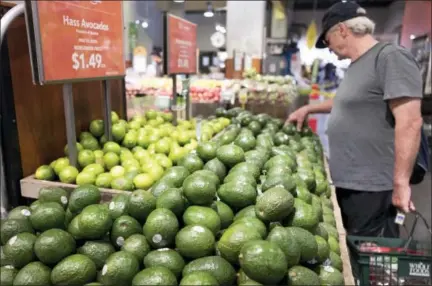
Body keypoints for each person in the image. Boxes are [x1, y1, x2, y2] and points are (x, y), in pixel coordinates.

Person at [287, 1, 423, 238]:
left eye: (327, 42)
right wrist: (309, 109)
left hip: (372, 186)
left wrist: (401, 183)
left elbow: (410, 121)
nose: (329, 50)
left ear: (342, 30)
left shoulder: (390, 58)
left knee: (371, 256)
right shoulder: (358, 64)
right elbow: (348, 101)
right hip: (352, 182)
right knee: (354, 246)